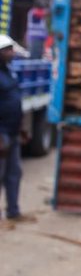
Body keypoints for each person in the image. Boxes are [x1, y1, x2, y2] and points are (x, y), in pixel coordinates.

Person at [0, 35, 35, 230]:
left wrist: (22, 128)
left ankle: (13, 211)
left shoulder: (9, 72)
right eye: (7, 50)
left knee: (14, 173)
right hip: (1, 133)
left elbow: (14, 102)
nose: (11, 53)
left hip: (12, 132)